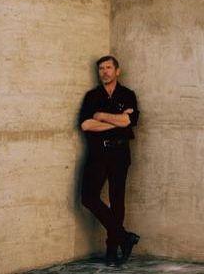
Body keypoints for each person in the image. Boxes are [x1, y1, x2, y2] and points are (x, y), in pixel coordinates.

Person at [78, 55, 141, 266]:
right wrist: (119, 122)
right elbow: (86, 125)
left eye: (108, 68)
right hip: (97, 153)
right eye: (101, 69)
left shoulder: (128, 94)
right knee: (88, 197)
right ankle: (125, 237)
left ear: (117, 71)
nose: (104, 72)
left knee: (117, 200)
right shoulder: (92, 96)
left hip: (120, 154)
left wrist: (102, 117)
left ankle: (112, 250)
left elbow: (131, 120)